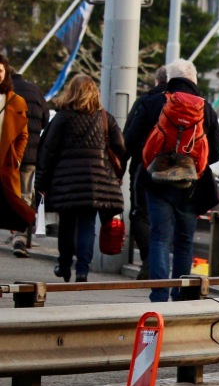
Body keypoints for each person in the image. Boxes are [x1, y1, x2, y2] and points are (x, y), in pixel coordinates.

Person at [124, 58, 219, 302]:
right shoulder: (205, 107)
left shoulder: (152, 102)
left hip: (156, 183)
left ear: (168, 78)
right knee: (184, 240)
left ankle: (159, 294)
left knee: (159, 237)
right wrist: (189, 163)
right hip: (191, 186)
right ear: (194, 80)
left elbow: (130, 139)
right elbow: (218, 150)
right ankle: (182, 294)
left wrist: (153, 161)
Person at [35, 75, 126, 282]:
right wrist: (116, 176)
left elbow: (47, 151)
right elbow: (120, 148)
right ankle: (83, 269)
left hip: (66, 182)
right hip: (96, 182)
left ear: (71, 91)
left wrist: (41, 183)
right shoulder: (105, 118)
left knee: (66, 225)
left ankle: (65, 265)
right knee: (87, 225)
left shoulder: (62, 118)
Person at [123, 66, 167, 278]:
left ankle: (149, 260)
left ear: (157, 81)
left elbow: (129, 138)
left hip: (144, 166)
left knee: (141, 214)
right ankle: (164, 265)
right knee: (167, 216)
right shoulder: (193, 104)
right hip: (178, 170)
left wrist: (120, 167)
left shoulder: (146, 102)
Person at [10, 69, 48, 257]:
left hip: (7, 154)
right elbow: (45, 119)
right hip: (30, 154)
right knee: (25, 195)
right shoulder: (35, 90)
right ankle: (20, 237)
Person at [0, 53, 35, 236]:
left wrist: (17, 158)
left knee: (13, 204)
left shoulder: (16, 101)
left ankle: (19, 238)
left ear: (5, 73)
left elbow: (23, 134)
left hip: (5, 162)